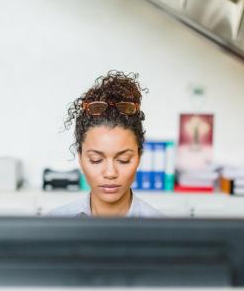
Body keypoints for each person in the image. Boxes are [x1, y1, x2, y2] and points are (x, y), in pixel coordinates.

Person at [47, 71, 162, 217]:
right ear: (80, 158)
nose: (110, 173)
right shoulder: (56, 223)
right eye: (96, 160)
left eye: (123, 160)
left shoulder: (161, 230)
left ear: (139, 156)